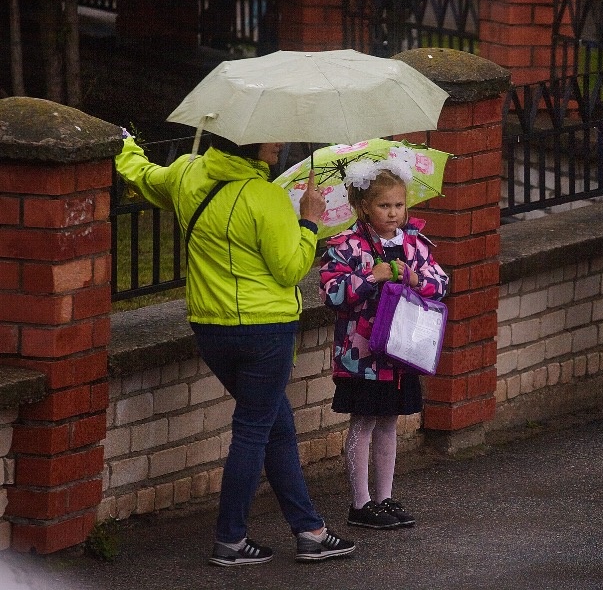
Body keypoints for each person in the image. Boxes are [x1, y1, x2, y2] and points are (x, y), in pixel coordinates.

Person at [114, 133, 356, 566]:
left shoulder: (187, 174)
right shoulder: (265, 197)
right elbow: (289, 269)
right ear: (246, 143)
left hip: (211, 327)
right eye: (270, 139)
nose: (278, 144)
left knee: (274, 424)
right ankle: (230, 539)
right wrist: (309, 222)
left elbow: (144, 176)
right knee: (253, 430)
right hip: (264, 331)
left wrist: (126, 144)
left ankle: (310, 531)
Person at [318, 157, 449, 530]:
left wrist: (411, 277)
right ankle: (360, 504)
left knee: (389, 421)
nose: (393, 213)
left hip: (400, 353)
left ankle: (384, 497)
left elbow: (440, 284)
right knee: (364, 421)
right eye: (384, 206)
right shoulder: (346, 246)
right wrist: (369, 277)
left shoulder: (414, 244)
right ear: (363, 206)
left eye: (398, 205)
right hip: (362, 355)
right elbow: (333, 294)